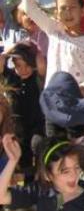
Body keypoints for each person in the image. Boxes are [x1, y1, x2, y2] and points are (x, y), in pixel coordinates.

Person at [0, 42, 44, 181]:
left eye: (27, 65)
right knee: (20, 160)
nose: (24, 70)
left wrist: (32, 51)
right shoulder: (11, 78)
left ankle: (38, 182)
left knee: (36, 148)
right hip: (17, 128)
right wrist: (9, 52)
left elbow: (41, 64)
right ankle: (23, 185)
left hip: (36, 126)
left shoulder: (38, 79)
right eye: (19, 66)